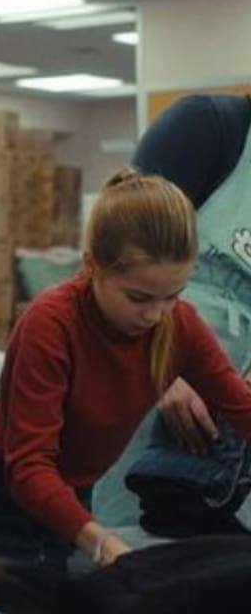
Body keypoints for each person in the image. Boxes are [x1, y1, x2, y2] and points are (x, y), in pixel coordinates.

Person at [0, 169, 251, 572]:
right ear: (93, 267)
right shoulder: (50, 325)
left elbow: (241, 406)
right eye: (139, 297)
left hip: (68, 491)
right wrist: (100, 540)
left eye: (172, 296)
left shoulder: (180, 325)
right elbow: (30, 466)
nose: (156, 315)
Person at [92, 93, 251, 525]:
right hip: (152, 390)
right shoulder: (209, 129)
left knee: (218, 573)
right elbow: (112, 270)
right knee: (130, 551)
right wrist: (159, 366)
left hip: (233, 432)